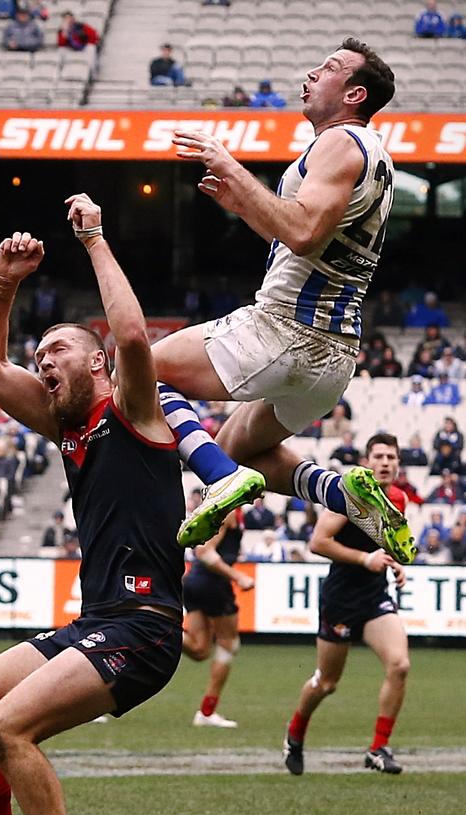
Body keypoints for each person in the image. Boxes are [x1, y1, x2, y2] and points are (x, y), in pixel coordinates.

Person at [0, 193, 184, 815]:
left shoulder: (135, 411)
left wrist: (95, 239)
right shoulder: (65, 425)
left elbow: (137, 336)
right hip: (97, 622)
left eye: (57, 352)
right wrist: (1, 284)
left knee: (9, 727)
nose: (42, 363)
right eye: (39, 356)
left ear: (97, 361)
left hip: (143, 629)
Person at [149, 37, 416, 568]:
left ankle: (218, 481)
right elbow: (310, 238)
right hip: (335, 357)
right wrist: (243, 203)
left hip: (285, 332)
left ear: (354, 94)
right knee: (233, 447)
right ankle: (341, 495)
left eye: (330, 68)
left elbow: (303, 231)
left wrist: (231, 166)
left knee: (134, 369)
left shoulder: (341, 142)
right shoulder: (374, 158)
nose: (313, 72)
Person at [283, 433, 410, 776]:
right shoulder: (350, 496)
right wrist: (364, 559)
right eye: (379, 456)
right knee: (327, 682)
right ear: (367, 462)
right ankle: (295, 734)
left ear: (399, 463)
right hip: (340, 597)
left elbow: (389, 543)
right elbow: (317, 542)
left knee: (399, 665)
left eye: (392, 457)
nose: (385, 462)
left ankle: (378, 749)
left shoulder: (397, 498)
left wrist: (395, 563)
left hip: (374, 597)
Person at [183, 510, 254, 728]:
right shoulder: (229, 511)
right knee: (229, 644)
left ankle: (158, 628)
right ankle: (207, 712)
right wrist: (238, 576)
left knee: (200, 650)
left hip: (194, 581)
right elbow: (204, 552)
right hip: (211, 583)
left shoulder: (229, 509)